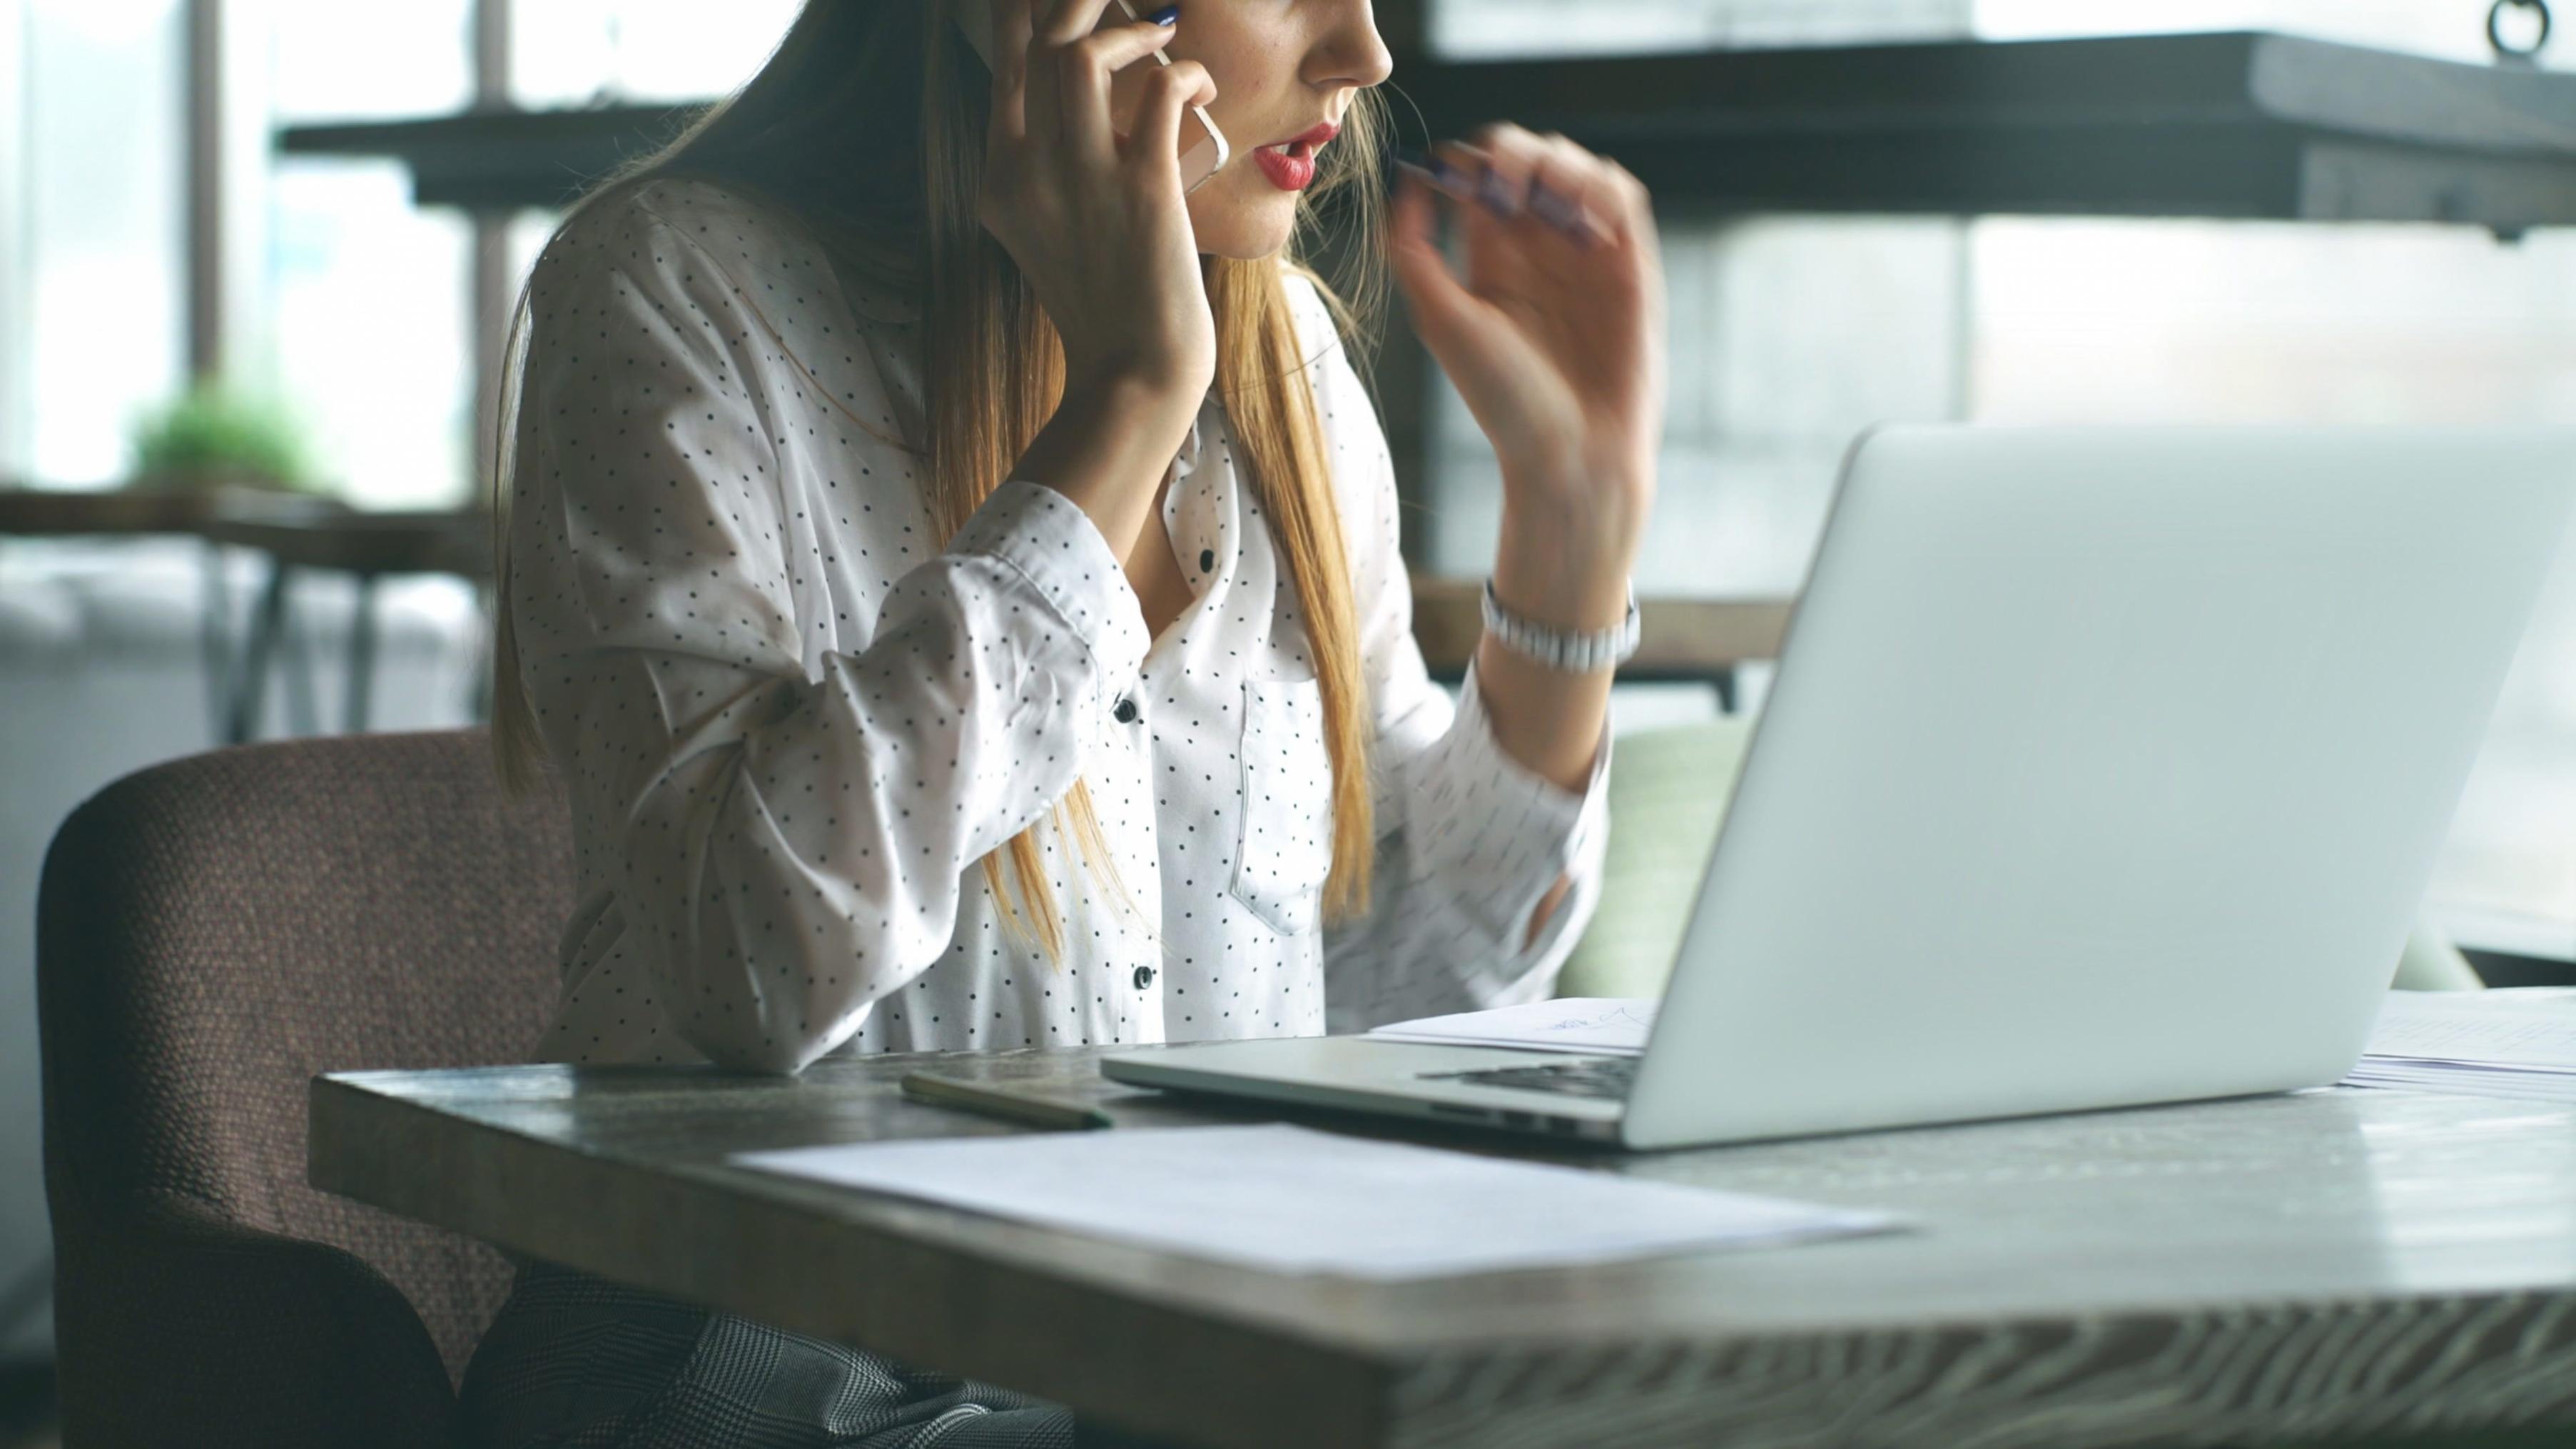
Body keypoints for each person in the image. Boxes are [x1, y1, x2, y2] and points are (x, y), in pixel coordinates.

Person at [460, 0, 1667, 1441]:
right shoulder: (674, 288)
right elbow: (748, 962)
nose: (1363, 53)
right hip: (773, 1373)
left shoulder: (1283, 361)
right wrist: (1129, 400)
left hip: (1158, 1366)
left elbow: (1400, 1003)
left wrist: (1571, 537)